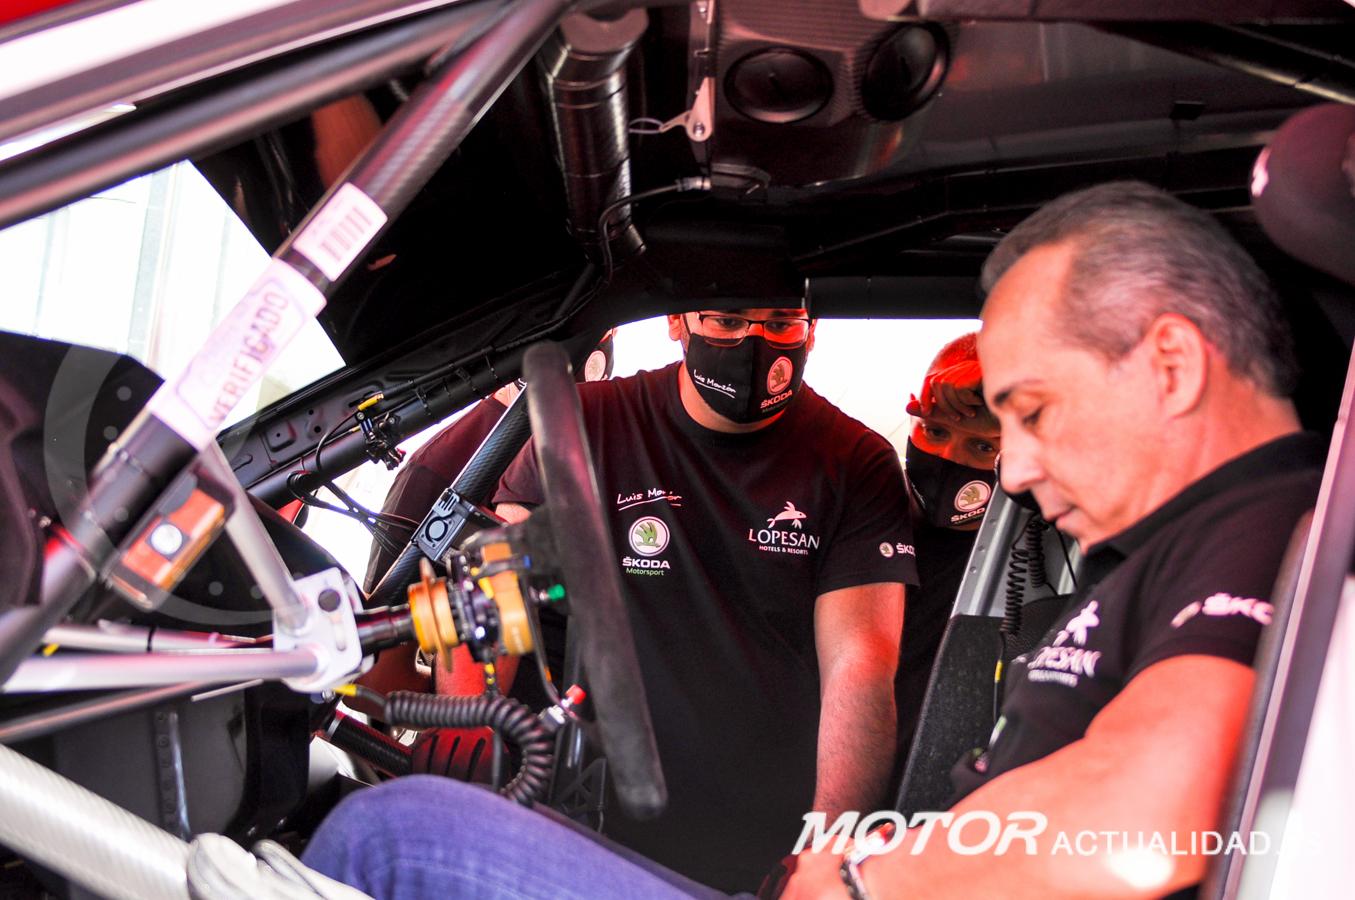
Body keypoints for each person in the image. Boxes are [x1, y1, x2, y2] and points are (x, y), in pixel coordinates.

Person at [304, 180, 1317, 900]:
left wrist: (859, 869)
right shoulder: (1160, 559)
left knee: (391, 838)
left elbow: (1146, 821)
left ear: (1171, 366)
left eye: (1033, 411)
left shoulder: (1270, 526)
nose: (1007, 471)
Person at [483, 304, 917, 891]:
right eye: (728, 322)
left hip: (756, 849)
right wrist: (468, 737)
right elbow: (495, 590)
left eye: (780, 324)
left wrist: (825, 856)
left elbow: (860, 666)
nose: (755, 344)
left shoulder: (856, 462)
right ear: (676, 321)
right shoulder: (589, 421)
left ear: (813, 329)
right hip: (586, 820)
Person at [894, 333, 1000, 778]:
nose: (948, 456)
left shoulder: (1035, 550)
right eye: (935, 431)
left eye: (983, 446)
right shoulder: (863, 515)